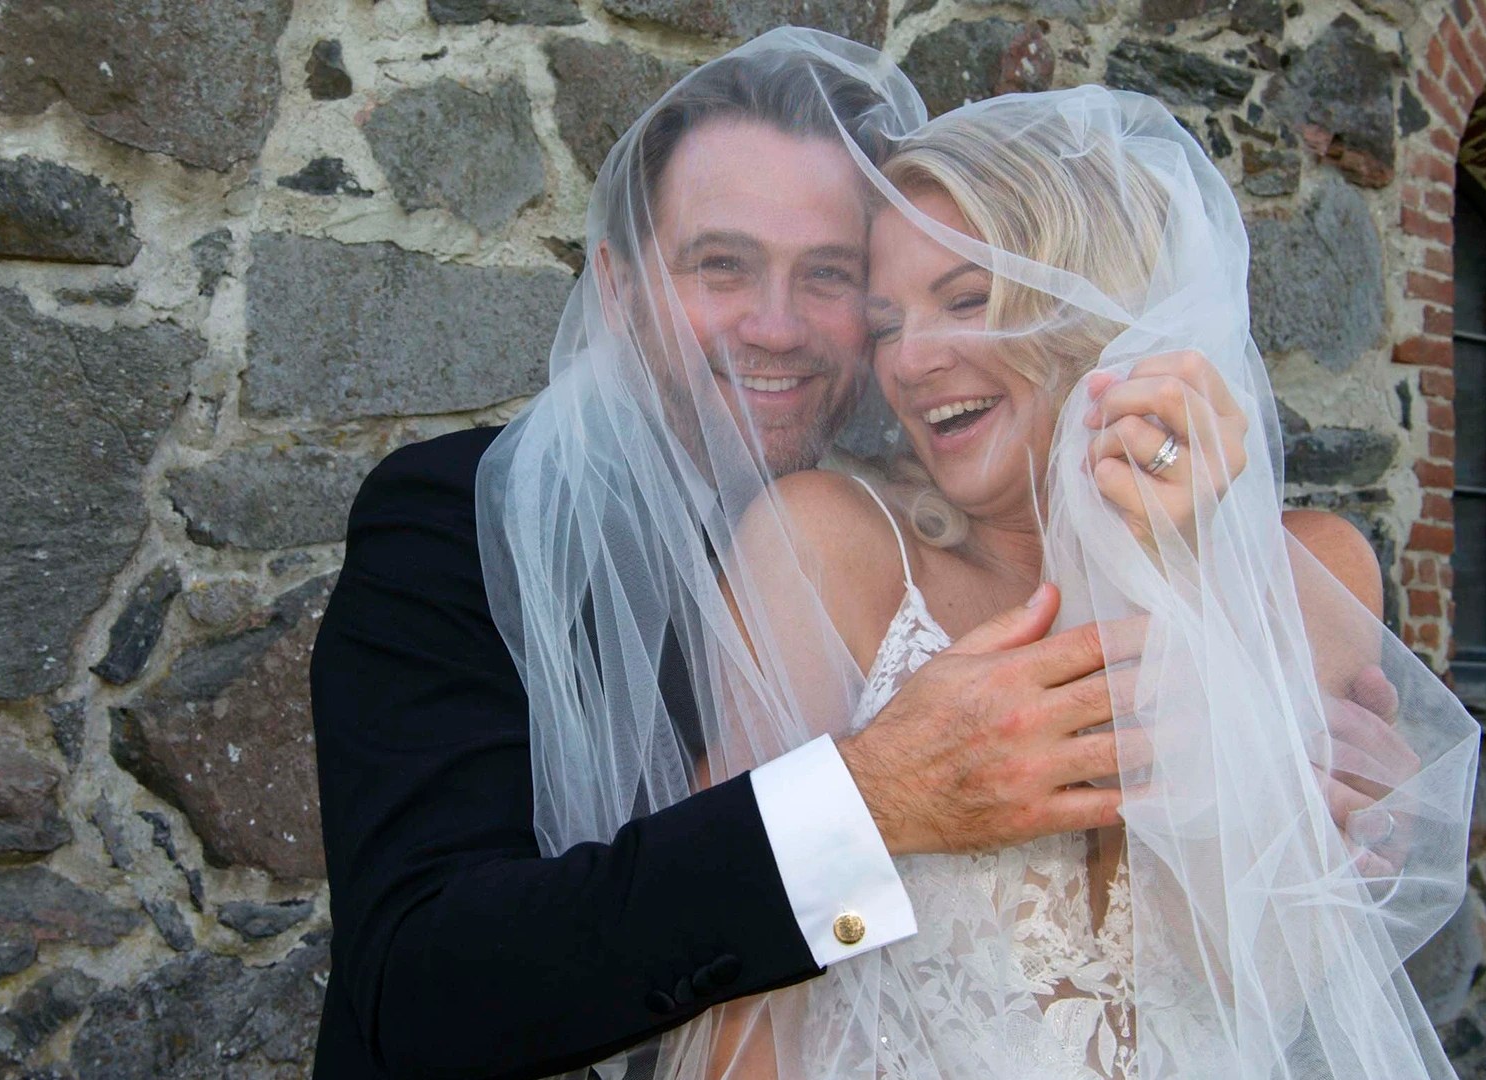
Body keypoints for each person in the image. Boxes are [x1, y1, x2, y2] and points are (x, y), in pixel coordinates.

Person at [502, 56, 1478, 1079]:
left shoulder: (1312, 576)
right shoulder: (830, 546)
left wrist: (1171, 566)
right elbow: (738, 997)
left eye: (967, 299)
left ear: (1094, 302)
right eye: (885, 322)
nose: (908, 360)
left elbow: (1252, 977)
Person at [310, 33, 1139, 1080]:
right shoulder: (461, 519)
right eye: (722, 266)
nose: (778, 326)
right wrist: (871, 802)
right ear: (615, 287)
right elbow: (420, 985)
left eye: (830, 275)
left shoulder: (942, 530)